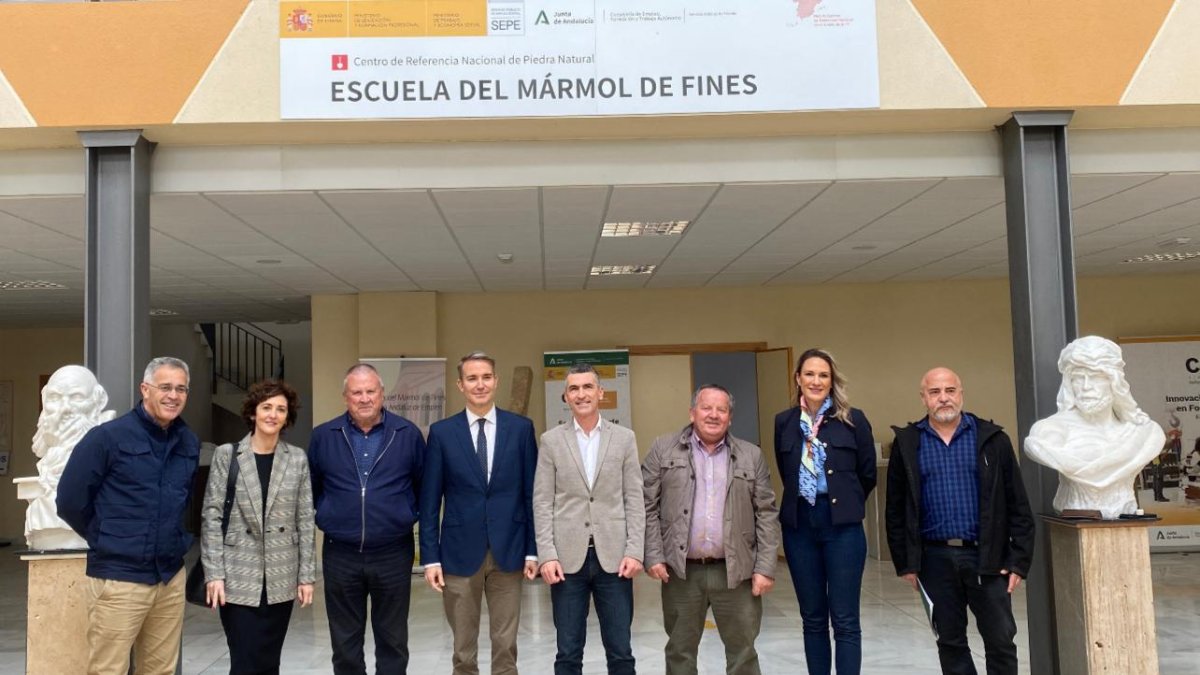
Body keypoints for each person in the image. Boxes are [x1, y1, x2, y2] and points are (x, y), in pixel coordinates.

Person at [885, 367, 1034, 675]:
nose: (944, 399)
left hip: (988, 557)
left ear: (961, 394)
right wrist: (906, 563)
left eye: (950, 391)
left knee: (1001, 641)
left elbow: (1018, 503)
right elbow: (896, 510)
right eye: (935, 392)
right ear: (924, 398)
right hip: (934, 559)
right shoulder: (908, 443)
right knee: (951, 643)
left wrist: (1018, 560)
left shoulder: (993, 440)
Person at [57, 356, 200, 675]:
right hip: (119, 578)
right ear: (145, 389)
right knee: (108, 669)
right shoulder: (107, 437)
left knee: (161, 670)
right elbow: (69, 501)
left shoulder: (188, 442)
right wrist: (106, 537)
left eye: (181, 389)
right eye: (165, 387)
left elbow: (181, 501)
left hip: (169, 577)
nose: (173, 396)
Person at [642, 384, 779, 675]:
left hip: (736, 573)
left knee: (743, 652)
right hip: (681, 572)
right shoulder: (662, 449)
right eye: (706, 407)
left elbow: (766, 513)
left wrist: (765, 567)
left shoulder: (751, 455)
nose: (713, 415)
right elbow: (646, 506)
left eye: (722, 409)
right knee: (680, 652)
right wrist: (653, 555)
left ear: (730, 417)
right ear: (692, 413)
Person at [420, 351, 539, 675]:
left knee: (505, 647)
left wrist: (532, 549)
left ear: (496, 381)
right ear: (460, 384)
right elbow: (429, 502)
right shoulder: (443, 433)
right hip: (458, 554)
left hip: (509, 551)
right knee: (463, 649)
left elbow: (531, 495)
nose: (480, 384)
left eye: (486, 377)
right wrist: (430, 557)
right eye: (472, 378)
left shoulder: (520, 429)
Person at [309, 363, 426, 675]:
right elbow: (313, 487)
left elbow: (421, 487)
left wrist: (403, 514)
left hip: (392, 552)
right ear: (345, 396)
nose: (364, 398)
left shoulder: (407, 434)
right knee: (345, 641)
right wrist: (330, 515)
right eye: (356, 392)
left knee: (393, 639)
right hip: (340, 552)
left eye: (370, 391)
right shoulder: (323, 436)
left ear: (382, 393)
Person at [533, 363, 645, 675]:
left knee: (621, 651)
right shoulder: (551, 441)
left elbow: (634, 498)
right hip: (567, 561)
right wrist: (547, 555)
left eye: (587, 387)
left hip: (615, 560)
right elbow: (542, 501)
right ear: (565, 396)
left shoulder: (624, 438)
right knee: (568, 652)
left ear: (601, 393)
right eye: (573, 388)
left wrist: (635, 550)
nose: (581, 394)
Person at [200, 379, 315, 675]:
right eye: (266, 407)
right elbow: (211, 517)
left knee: (268, 660)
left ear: (287, 418)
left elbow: (304, 519)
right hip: (237, 575)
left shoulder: (297, 459)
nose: (272, 415)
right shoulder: (228, 455)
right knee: (244, 659)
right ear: (253, 412)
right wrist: (214, 574)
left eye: (280, 409)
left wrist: (306, 576)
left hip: (281, 575)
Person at [773, 348, 876, 675]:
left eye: (823, 375)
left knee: (845, 619)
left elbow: (867, 474)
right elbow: (784, 469)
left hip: (842, 528)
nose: (816, 381)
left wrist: (843, 501)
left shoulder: (853, 420)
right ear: (798, 379)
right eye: (810, 374)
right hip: (800, 527)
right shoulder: (784, 422)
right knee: (812, 618)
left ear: (832, 381)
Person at [1024, 336, 1166, 518]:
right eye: (1076, 378)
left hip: (1124, 511)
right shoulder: (1048, 432)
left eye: (1096, 378)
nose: (1085, 387)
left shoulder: (1146, 434)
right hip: (1075, 510)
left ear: (1114, 383)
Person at [24, 364, 115, 550]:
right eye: (55, 398)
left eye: (76, 397)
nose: (65, 408)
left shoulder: (109, 438)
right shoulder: (48, 448)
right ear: (44, 397)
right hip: (49, 524)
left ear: (98, 400)